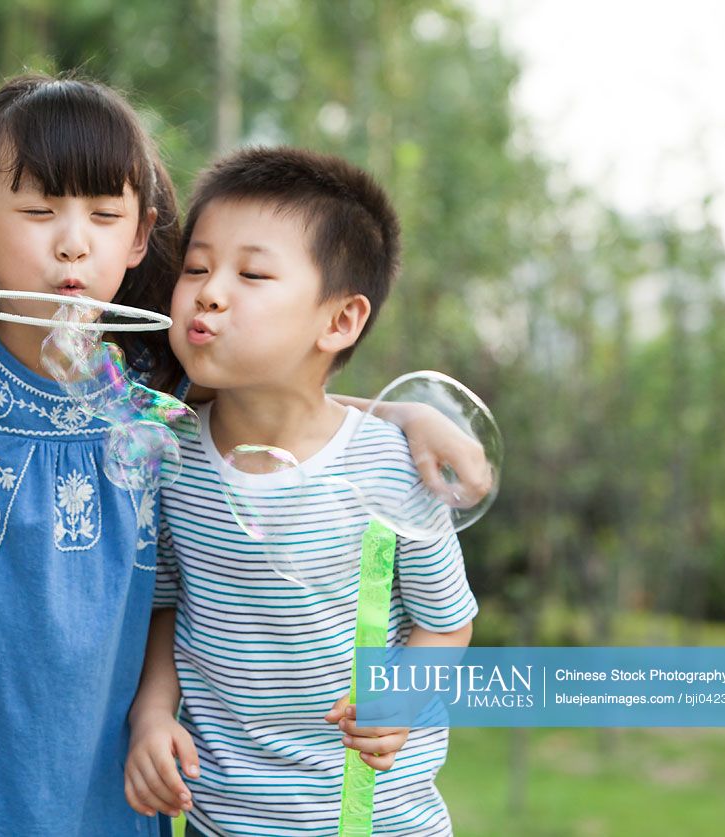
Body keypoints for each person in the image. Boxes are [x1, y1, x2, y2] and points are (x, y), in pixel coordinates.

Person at [0, 74, 483, 835]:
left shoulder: (158, 382)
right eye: (38, 209)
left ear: (141, 235)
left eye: (106, 214)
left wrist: (402, 412)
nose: (73, 242)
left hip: (109, 803)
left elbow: (285, 399)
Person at [125, 147, 479, 837]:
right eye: (195, 267)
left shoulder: (390, 465)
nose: (209, 290)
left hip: (375, 821)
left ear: (339, 321)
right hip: (222, 821)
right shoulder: (167, 456)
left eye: (251, 273)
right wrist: (149, 714)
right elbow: (164, 609)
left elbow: (446, 620)